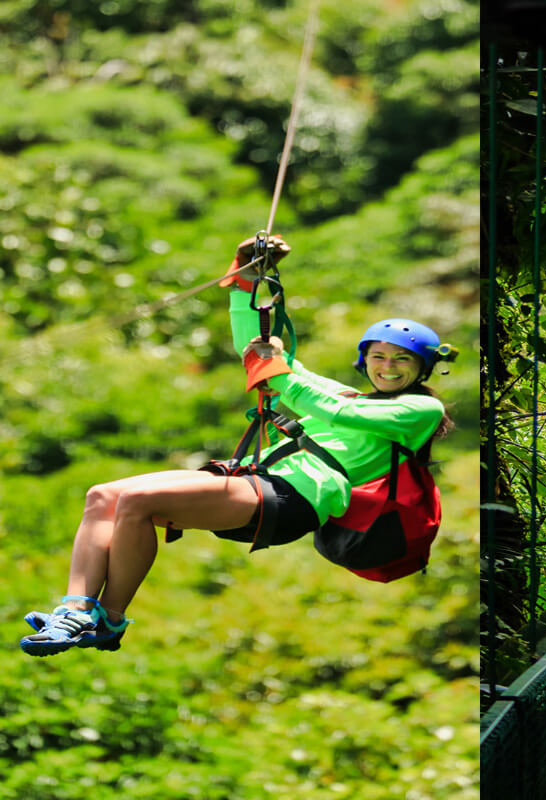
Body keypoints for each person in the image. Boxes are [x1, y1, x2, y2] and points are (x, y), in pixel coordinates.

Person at [18, 235, 454, 656]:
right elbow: (258, 352)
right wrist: (246, 283)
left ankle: (109, 619)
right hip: (257, 477)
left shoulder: (420, 411)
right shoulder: (344, 393)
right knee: (103, 496)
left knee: (136, 500)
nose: (389, 368)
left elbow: (333, 411)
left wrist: (278, 371)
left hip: (294, 497)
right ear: (365, 361)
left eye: (402, 360)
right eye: (379, 357)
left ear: (422, 368)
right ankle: (74, 610)